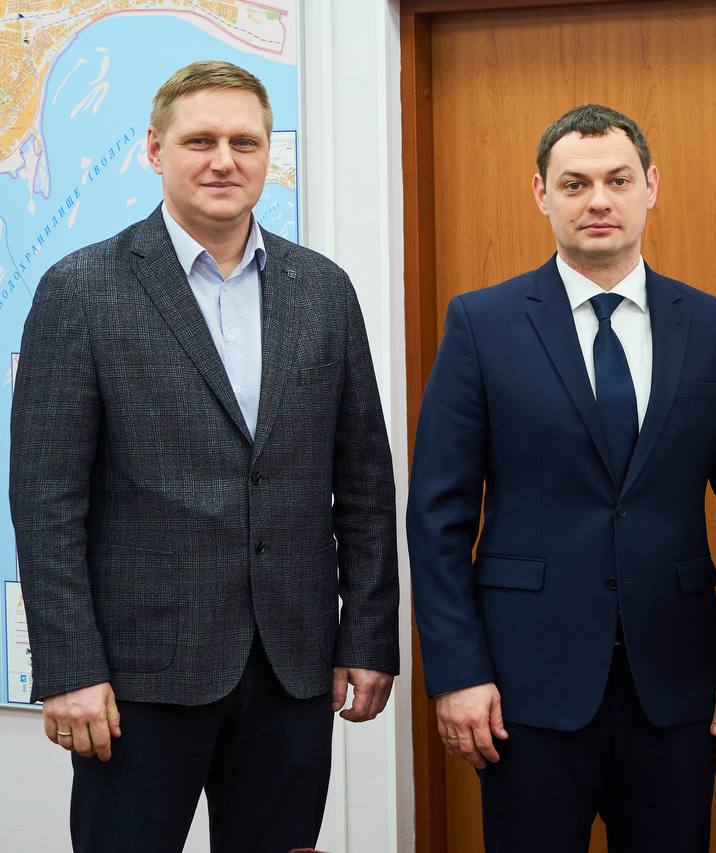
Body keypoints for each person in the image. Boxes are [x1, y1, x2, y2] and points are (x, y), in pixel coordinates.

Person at [9, 60, 399, 852]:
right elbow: (46, 501)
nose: (224, 160)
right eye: (200, 141)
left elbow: (364, 481)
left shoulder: (323, 290)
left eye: (244, 142)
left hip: (291, 668)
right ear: (156, 150)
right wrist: (69, 665)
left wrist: (366, 635)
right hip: (137, 676)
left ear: (267, 155)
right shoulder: (80, 290)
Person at [407, 103, 716, 852]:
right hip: (522, 689)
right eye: (574, 184)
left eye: (618, 180)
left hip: (676, 686)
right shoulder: (482, 324)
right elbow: (438, 517)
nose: (598, 201)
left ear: (651, 186)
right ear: (541, 194)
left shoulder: (714, 326)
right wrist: (457, 671)